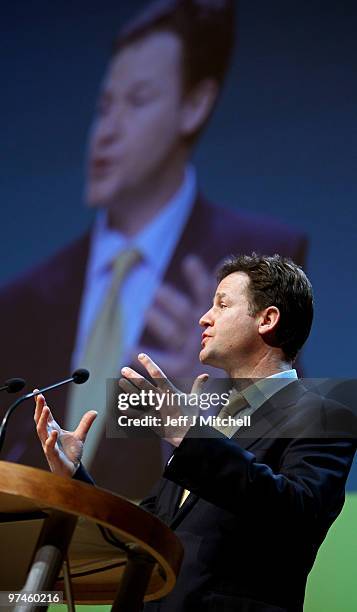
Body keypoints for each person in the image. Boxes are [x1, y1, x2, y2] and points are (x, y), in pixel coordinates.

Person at [0, 0, 307, 497]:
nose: (106, 131)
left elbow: (281, 494)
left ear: (195, 104)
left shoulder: (265, 253)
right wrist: (74, 476)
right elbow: (153, 525)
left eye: (138, 99)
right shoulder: (22, 298)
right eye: (104, 106)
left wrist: (194, 423)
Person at [34, 253, 356, 612]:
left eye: (221, 304)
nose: (204, 317)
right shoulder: (211, 424)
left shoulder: (323, 414)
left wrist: (191, 435)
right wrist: (76, 476)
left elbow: (298, 515)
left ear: (267, 319)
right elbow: (146, 532)